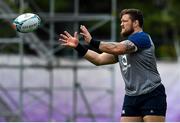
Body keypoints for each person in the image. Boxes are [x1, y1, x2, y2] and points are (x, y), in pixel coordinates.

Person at [59, 8, 167, 122]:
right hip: (131, 96)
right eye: (121, 21)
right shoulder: (122, 47)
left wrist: (92, 41)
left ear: (136, 23)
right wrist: (78, 47)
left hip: (151, 94)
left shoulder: (142, 38)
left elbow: (118, 48)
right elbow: (98, 59)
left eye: (125, 21)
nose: (121, 24)